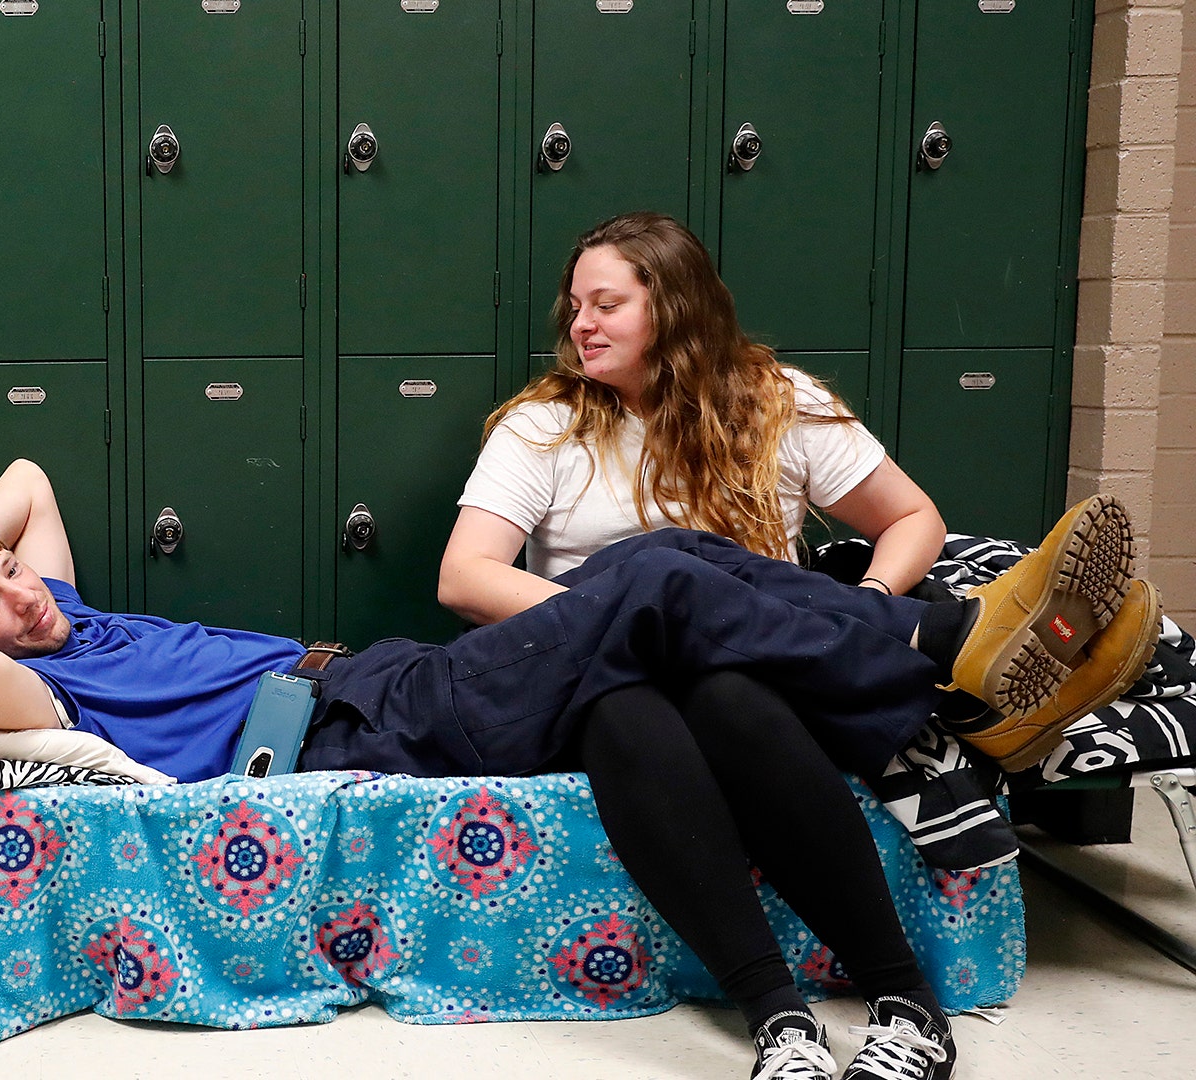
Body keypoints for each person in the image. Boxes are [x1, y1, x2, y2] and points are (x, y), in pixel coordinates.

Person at [0, 454, 1139, 1079]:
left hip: (366, 677)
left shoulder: (72, 608)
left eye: (7, 571)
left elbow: (27, 485)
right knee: (644, 572)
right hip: (341, 730)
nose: (12, 597)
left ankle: (828, 993)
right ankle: (947, 652)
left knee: (675, 652)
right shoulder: (34, 681)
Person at [433, 212, 1152, 1080]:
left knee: (730, 697)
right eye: (575, 305)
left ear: (676, 307)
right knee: (636, 671)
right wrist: (625, 617)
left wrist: (874, 592)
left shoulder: (781, 402)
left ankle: (908, 1008)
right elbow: (466, 578)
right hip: (599, 660)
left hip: (757, 661)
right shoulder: (547, 424)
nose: (580, 324)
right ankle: (781, 1017)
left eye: (607, 303)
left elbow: (913, 516)